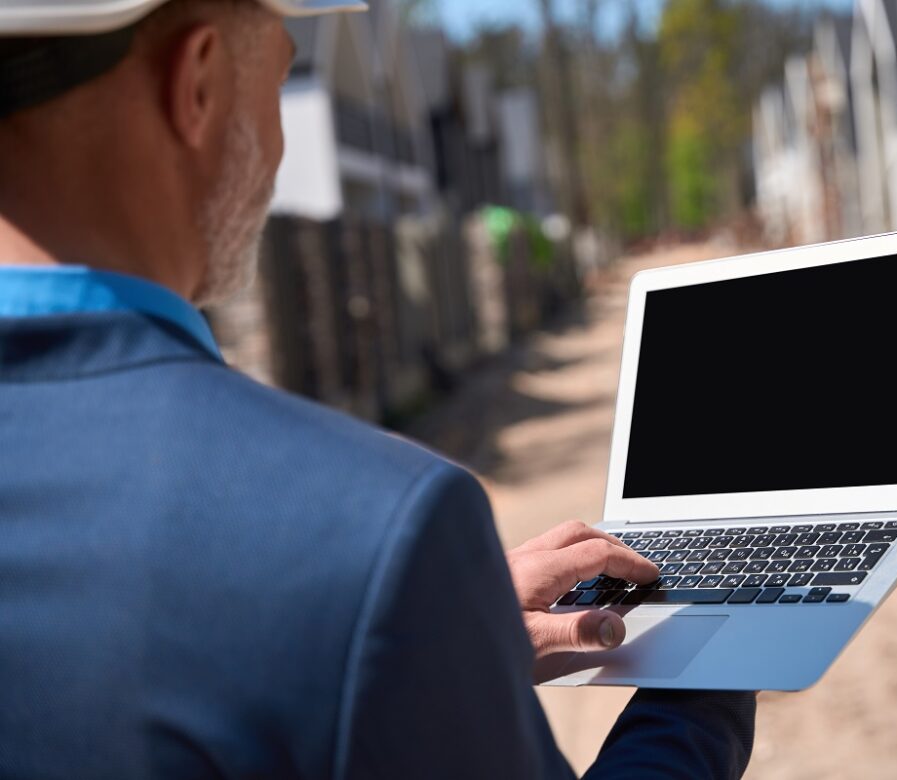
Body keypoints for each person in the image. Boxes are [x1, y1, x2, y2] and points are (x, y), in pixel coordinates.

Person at [0, 0, 757, 777]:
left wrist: (414, 641)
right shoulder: (373, 526)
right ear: (196, 85)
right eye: (280, 73)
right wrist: (714, 661)